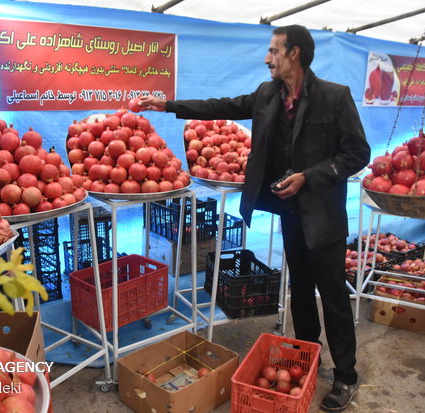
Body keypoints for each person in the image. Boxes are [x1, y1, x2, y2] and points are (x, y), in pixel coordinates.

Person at [139, 24, 371, 411]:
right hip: (291, 213)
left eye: (273, 51)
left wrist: (309, 177)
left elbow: (357, 153)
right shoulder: (267, 94)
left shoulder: (334, 97)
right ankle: (307, 356)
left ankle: (346, 375)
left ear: (294, 54)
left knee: (332, 296)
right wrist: (168, 106)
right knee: (299, 290)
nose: (267, 58)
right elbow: (223, 105)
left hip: (324, 216)